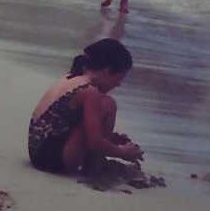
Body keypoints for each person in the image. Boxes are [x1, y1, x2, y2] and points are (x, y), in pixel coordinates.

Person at [27, 39, 143, 175]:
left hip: (37, 153)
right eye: (119, 78)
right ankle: (95, 166)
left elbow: (60, 125)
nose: (118, 84)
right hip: (53, 161)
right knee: (108, 104)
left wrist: (111, 139)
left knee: (102, 108)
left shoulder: (70, 78)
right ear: (107, 71)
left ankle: (98, 161)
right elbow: (94, 142)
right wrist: (123, 152)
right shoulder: (90, 92)